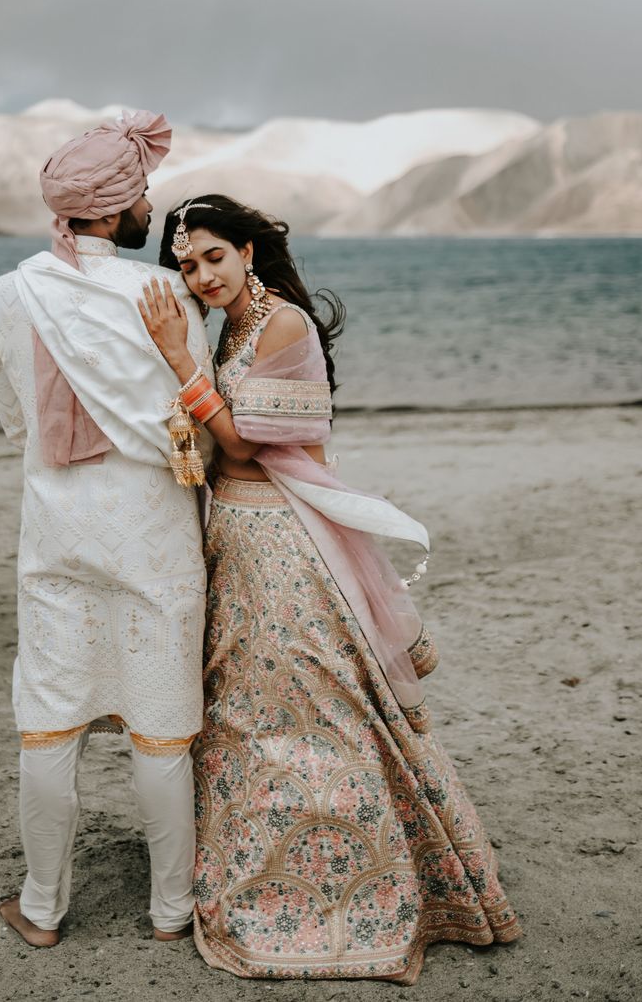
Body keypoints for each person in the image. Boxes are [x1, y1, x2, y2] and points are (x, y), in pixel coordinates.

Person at [137, 194, 521, 984]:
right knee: (244, 709)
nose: (201, 275)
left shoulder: (282, 325)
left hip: (281, 541)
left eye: (213, 256)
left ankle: (359, 882)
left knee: (315, 707)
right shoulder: (233, 324)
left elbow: (244, 446)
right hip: (235, 542)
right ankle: (262, 862)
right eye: (186, 264)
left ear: (248, 250)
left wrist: (180, 360)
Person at [0, 112, 214, 949]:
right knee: (161, 728)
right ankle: (170, 913)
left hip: (56, 533)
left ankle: (42, 908)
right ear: (117, 212)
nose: (151, 205)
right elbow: (195, 419)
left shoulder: (8, 293)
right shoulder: (170, 296)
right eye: (143, 194)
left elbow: (15, 422)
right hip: (153, 532)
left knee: (49, 721)